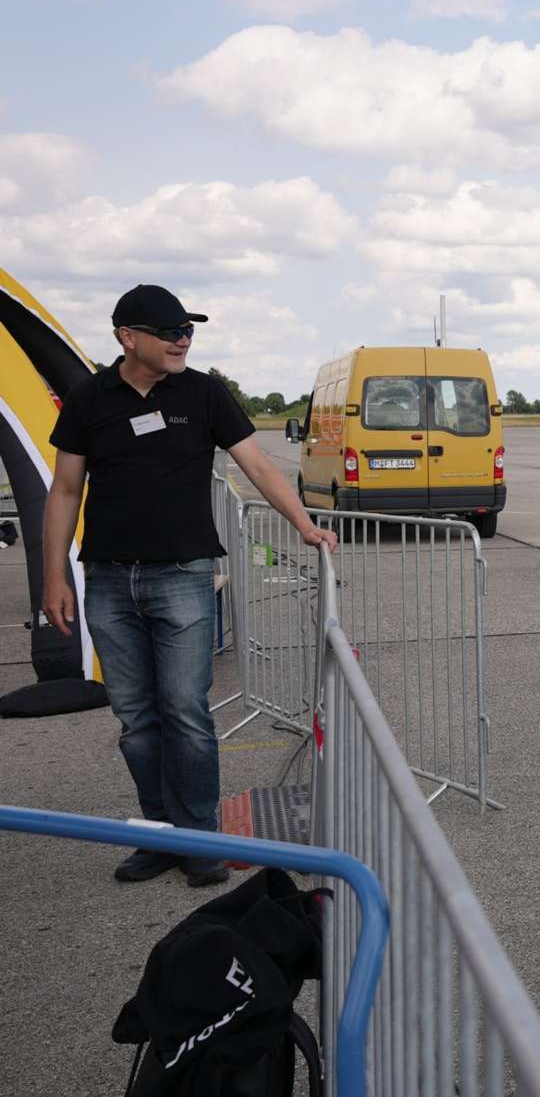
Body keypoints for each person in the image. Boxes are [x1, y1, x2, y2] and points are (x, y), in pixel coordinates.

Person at [42, 284, 338, 888]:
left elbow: (257, 464)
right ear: (128, 337)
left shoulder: (204, 393)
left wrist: (304, 526)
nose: (184, 341)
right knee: (135, 717)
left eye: (189, 331)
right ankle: (158, 835)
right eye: (171, 332)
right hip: (108, 581)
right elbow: (66, 490)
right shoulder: (88, 398)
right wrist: (54, 575)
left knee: (185, 710)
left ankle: (199, 836)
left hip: (183, 576)